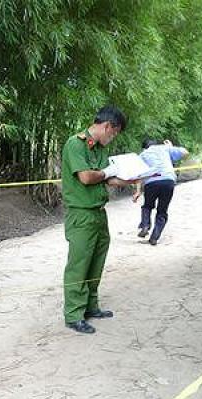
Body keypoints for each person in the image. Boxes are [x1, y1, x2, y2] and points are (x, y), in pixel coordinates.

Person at [62, 106, 134, 334]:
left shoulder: (99, 149)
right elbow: (86, 177)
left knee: (96, 262)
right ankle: (74, 314)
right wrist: (106, 173)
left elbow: (107, 178)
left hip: (99, 212)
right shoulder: (75, 144)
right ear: (107, 126)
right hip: (81, 213)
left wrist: (128, 179)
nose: (112, 139)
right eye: (114, 133)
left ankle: (91, 306)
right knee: (79, 265)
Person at [133, 139, 188, 245]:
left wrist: (138, 192)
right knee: (162, 211)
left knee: (147, 206)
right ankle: (154, 238)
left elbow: (139, 175)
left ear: (145, 147)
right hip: (168, 181)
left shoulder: (143, 154)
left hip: (151, 182)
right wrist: (171, 147)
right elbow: (185, 152)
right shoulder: (165, 148)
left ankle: (145, 225)